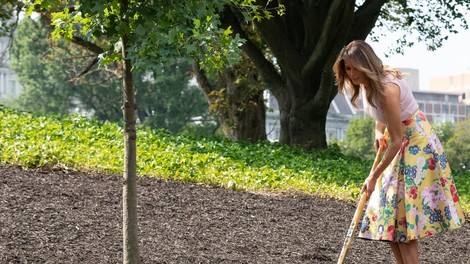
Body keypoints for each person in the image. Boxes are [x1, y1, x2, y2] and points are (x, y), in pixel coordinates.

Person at [332, 40, 466, 264]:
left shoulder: (387, 89)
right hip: (399, 142)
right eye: (347, 68)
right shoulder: (367, 84)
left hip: (416, 146)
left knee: (403, 220)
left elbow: (397, 140)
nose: (351, 73)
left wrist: (373, 176)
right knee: (388, 219)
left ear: (366, 64)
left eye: (355, 67)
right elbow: (381, 119)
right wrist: (377, 132)